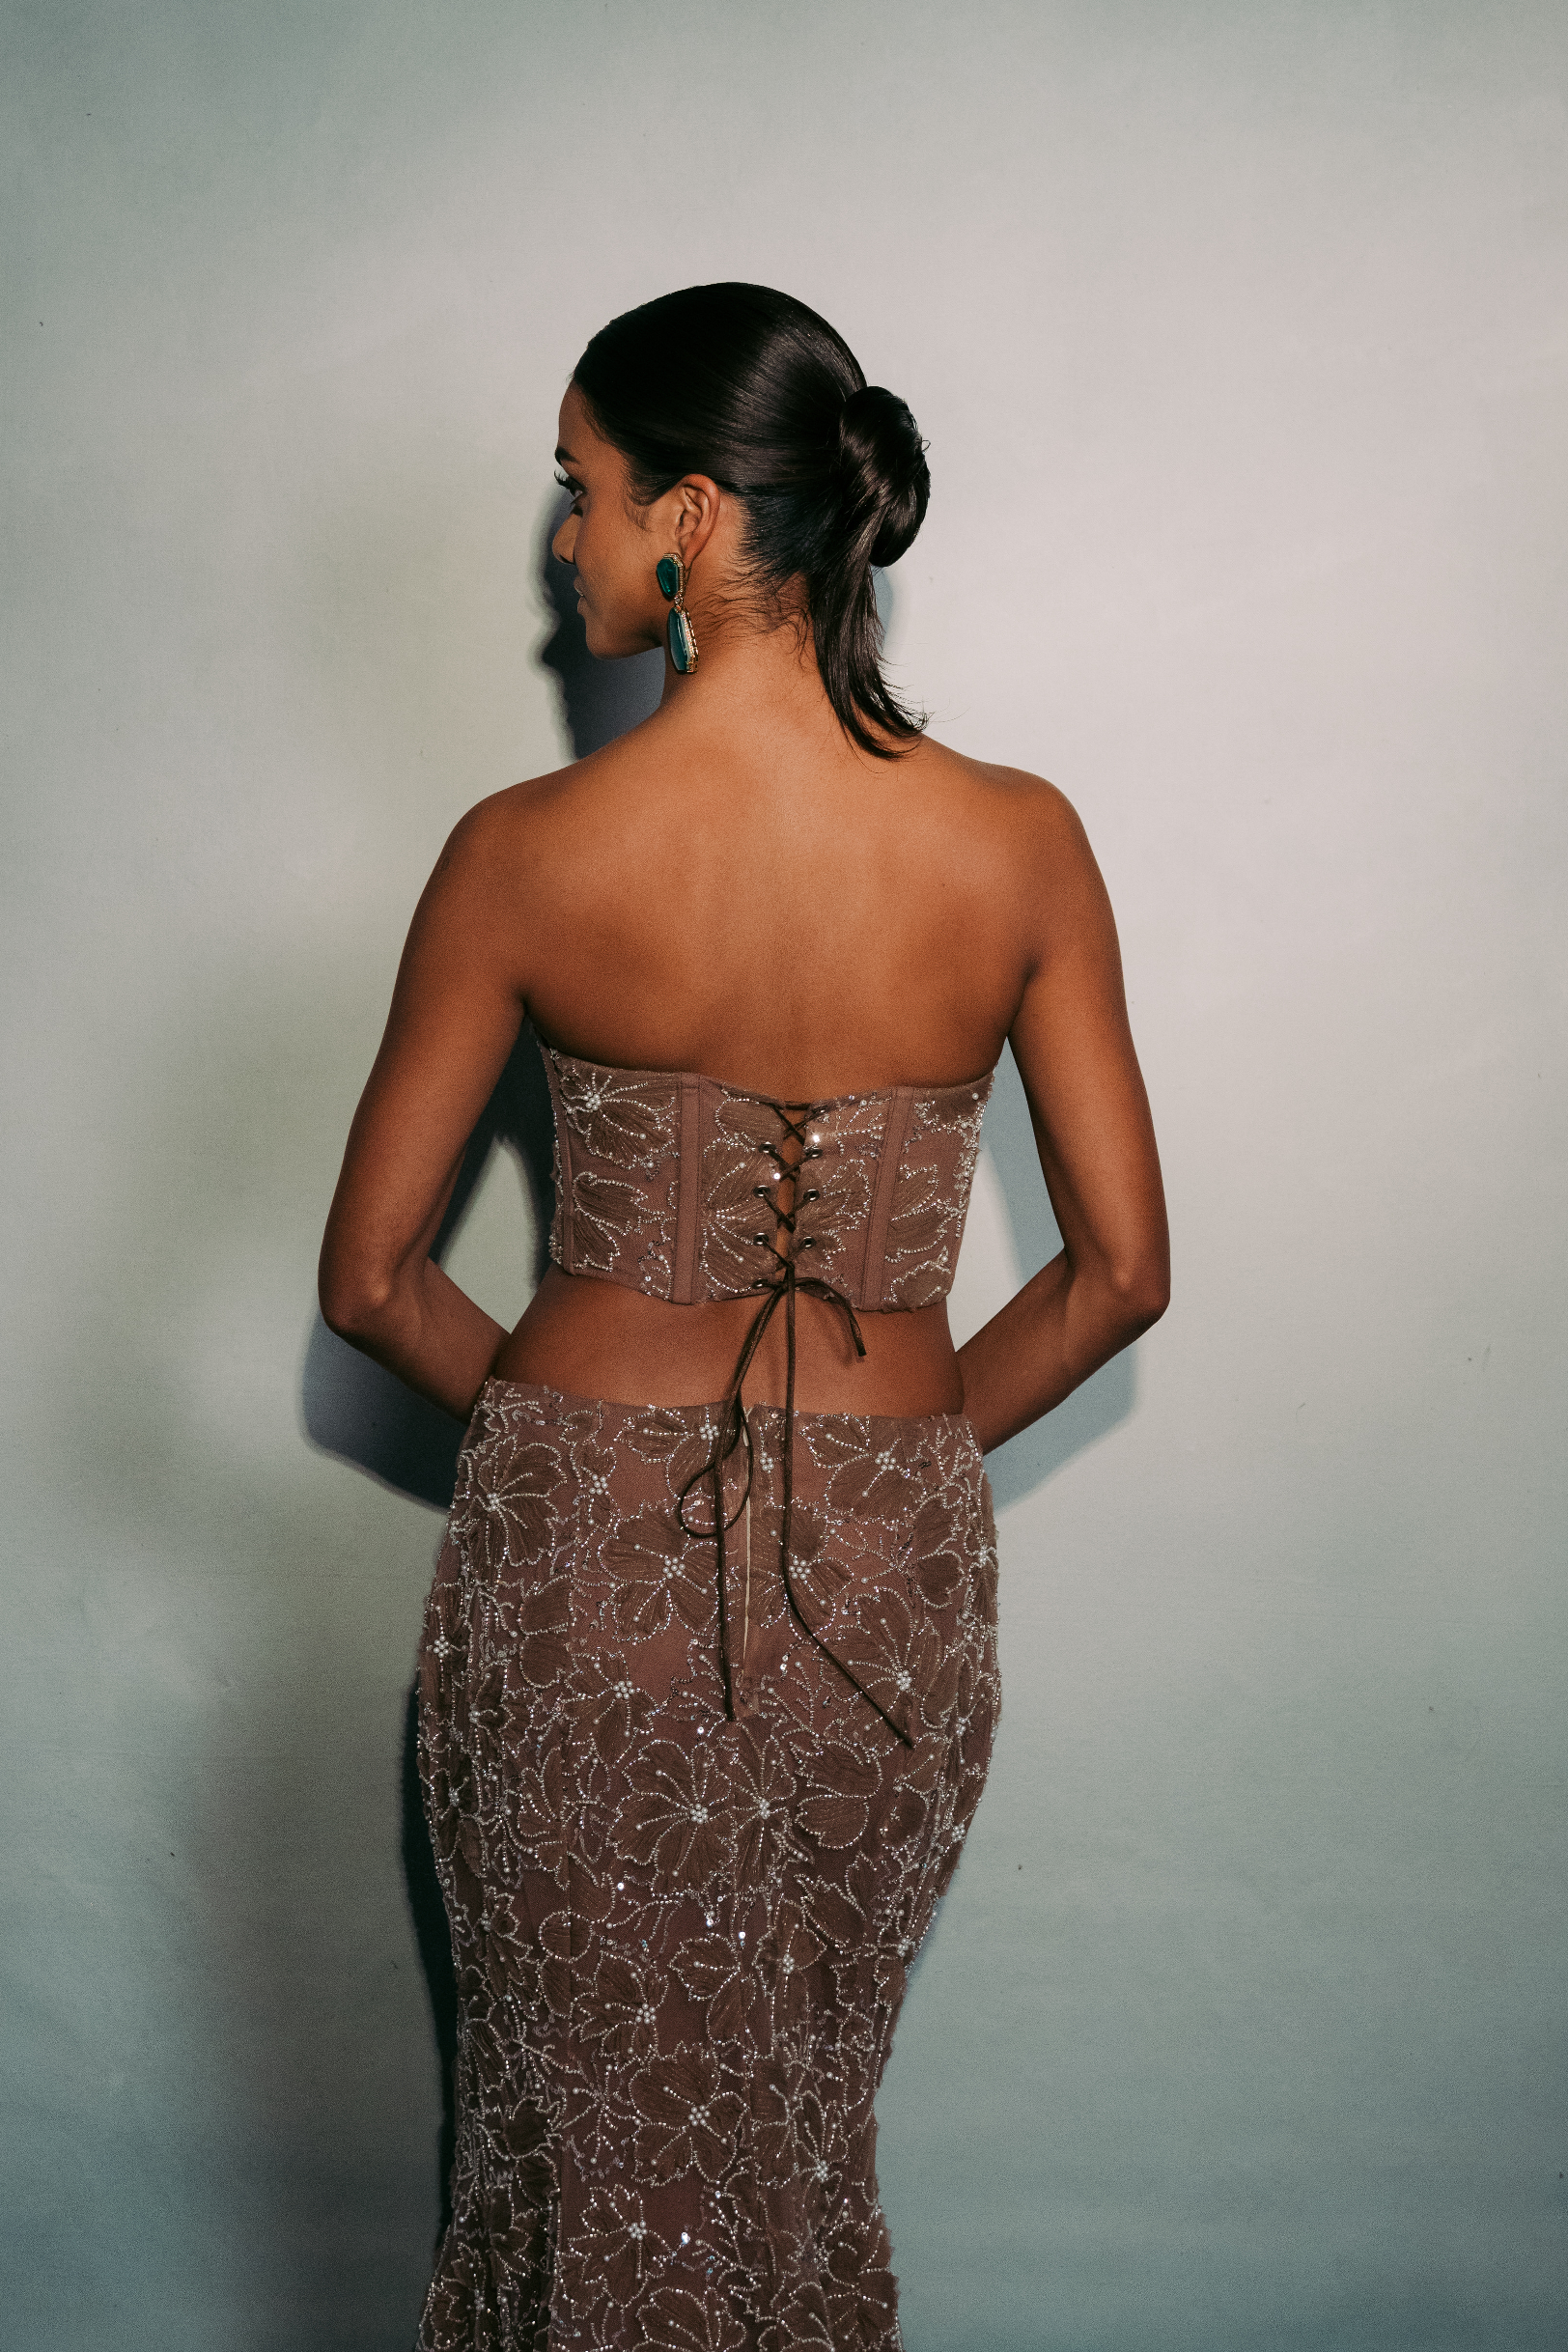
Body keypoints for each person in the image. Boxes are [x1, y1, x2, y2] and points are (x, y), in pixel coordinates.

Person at [319, 282, 1168, 2352]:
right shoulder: (1019, 843)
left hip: (574, 1574)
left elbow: (371, 1281)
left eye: (583, 489)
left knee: (580, 2138)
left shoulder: (524, 854)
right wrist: (885, 1460)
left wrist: (567, 1441)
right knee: (784, 2132)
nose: (564, 542)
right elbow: (1121, 1273)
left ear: (692, 517)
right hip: (886, 1577)